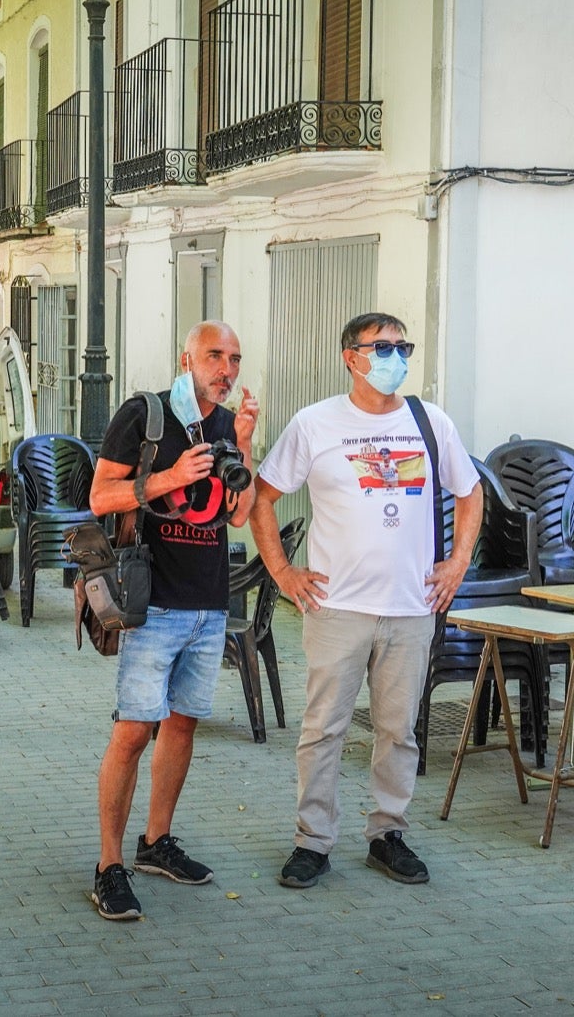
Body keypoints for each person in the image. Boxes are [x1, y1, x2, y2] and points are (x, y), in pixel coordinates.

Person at [248, 312, 481, 891]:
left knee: (398, 730)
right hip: (337, 606)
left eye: (403, 346)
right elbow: (263, 496)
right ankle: (312, 841)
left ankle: (388, 833)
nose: (395, 357)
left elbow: (470, 493)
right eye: (382, 347)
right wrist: (280, 570)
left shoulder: (430, 423)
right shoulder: (315, 423)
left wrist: (457, 563)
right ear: (350, 356)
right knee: (324, 728)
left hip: (410, 607)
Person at [86, 321, 260, 921]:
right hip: (152, 602)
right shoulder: (146, 413)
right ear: (186, 357)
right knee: (133, 733)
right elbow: (99, 497)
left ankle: (155, 843)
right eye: (215, 356)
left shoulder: (225, 423)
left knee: (182, 726)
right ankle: (109, 865)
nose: (227, 369)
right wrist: (168, 478)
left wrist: (247, 443)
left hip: (209, 605)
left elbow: (236, 518)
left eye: (235, 359)